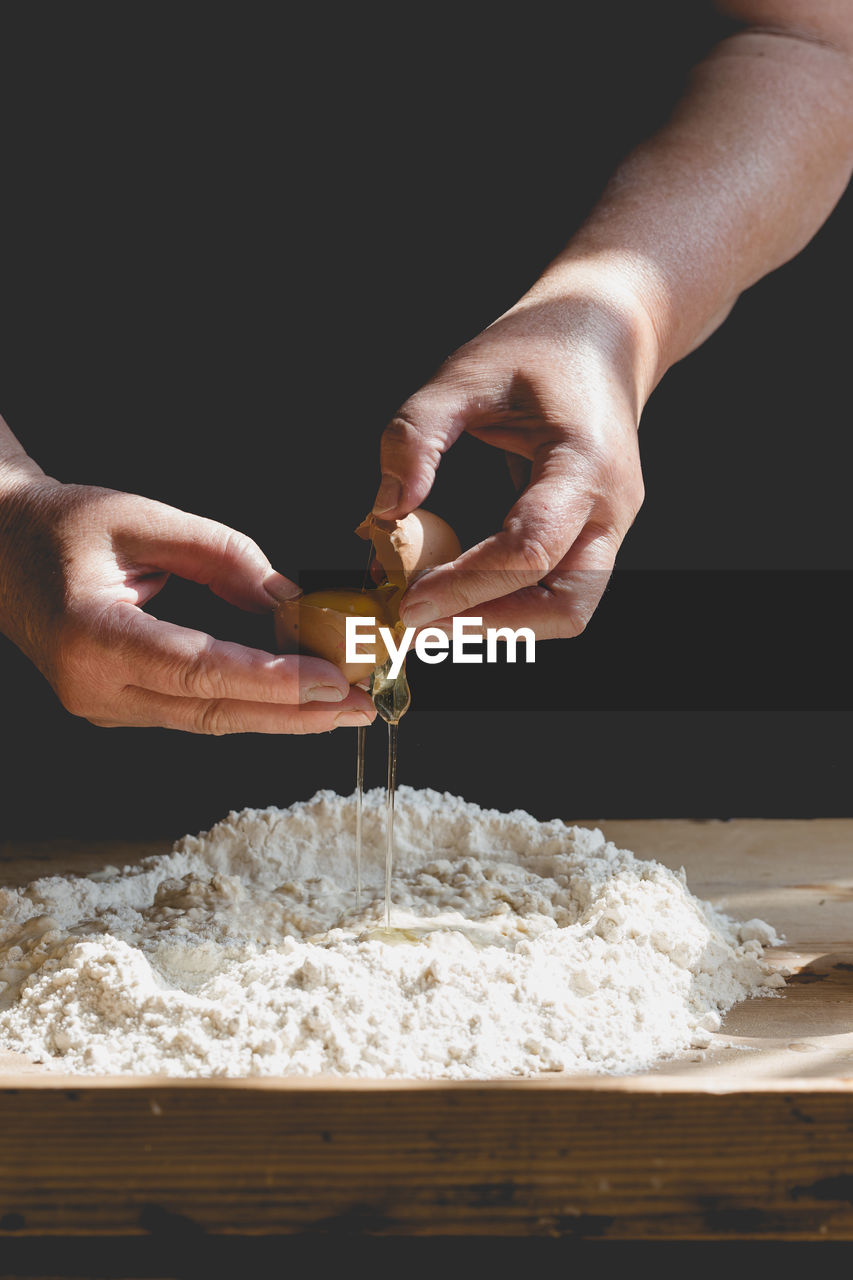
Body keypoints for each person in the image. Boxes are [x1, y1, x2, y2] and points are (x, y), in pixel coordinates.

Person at [1, 0, 851, 736]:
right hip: (66, 587)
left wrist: (611, 314)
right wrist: (7, 507)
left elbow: (812, 39)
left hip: (609, 517)